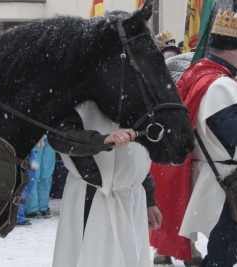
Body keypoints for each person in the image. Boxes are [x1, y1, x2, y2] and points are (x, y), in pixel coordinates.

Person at [178, 9, 237, 267]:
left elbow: (223, 123)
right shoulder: (220, 83)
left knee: (221, 250)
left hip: (215, 176)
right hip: (222, 182)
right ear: (232, 50)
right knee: (223, 254)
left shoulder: (201, 72)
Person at [48, 101, 162, 267]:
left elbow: (140, 155)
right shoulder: (82, 95)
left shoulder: (138, 94)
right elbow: (58, 135)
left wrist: (150, 199)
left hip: (133, 199)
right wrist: (101, 140)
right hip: (94, 196)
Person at [25, 135, 56, 219]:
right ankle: (32, 208)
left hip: (51, 135)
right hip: (38, 132)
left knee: (46, 174)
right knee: (34, 175)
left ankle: (43, 207)